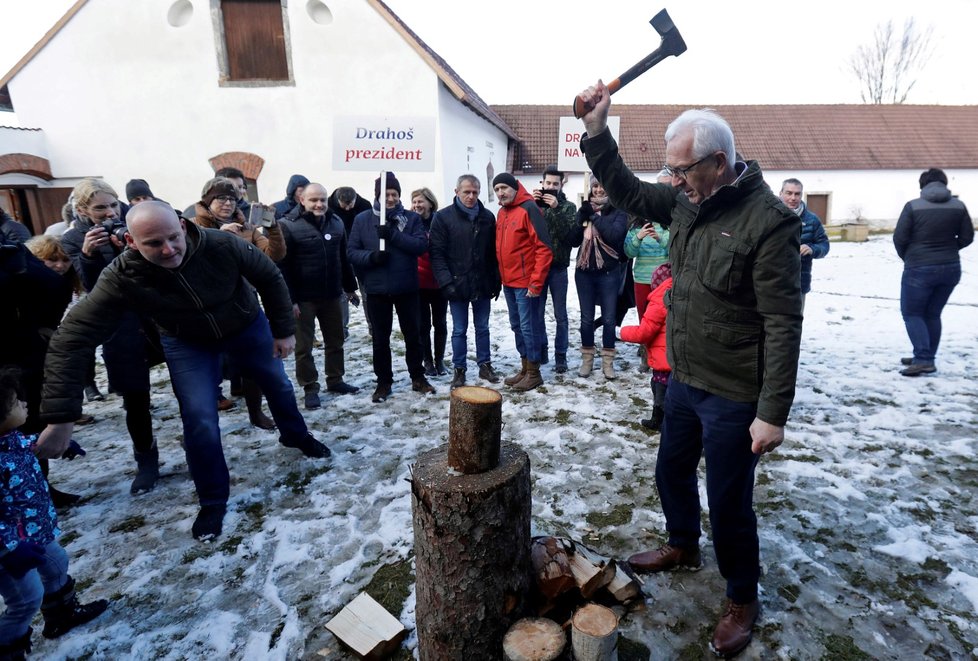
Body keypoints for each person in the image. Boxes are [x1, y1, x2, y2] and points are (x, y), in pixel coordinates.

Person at [577, 81, 803, 658]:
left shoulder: (768, 222)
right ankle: (682, 543)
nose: (673, 180)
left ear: (719, 163)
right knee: (671, 470)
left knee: (729, 501)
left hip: (733, 392)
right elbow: (626, 188)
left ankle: (741, 596)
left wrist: (771, 413)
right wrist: (599, 132)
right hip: (682, 376)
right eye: (671, 170)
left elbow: (782, 321)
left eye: (683, 170)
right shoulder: (683, 199)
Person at [37, 201, 331, 541]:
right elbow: (72, 336)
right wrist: (61, 416)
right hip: (186, 340)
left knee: (277, 385)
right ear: (132, 242)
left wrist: (282, 329)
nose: (168, 249)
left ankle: (296, 435)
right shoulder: (122, 274)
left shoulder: (221, 243)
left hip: (245, 324)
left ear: (181, 225)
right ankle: (212, 498)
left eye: (173, 237)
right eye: (153, 244)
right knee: (199, 416)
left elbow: (268, 275)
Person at [0, 368, 108, 658]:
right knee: (25, 600)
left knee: (57, 562)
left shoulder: (10, 439)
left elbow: (29, 446)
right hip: (10, 550)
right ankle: (7, 647)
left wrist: (58, 445)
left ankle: (62, 614)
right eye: (15, 402)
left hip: (34, 532)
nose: (24, 403)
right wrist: (9, 548)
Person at [61, 178, 159, 495]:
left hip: (158, 317)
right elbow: (91, 289)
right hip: (120, 326)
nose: (108, 213)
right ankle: (146, 459)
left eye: (113, 205)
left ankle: (200, 447)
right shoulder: (75, 238)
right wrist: (89, 255)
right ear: (82, 210)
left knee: (190, 388)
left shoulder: (133, 222)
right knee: (136, 399)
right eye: (100, 207)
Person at [191, 177, 286, 428]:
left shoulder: (247, 228)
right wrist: (215, 236)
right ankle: (207, 417)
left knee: (252, 362)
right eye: (221, 198)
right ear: (207, 201)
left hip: (244, 303)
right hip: (206, 307)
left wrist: (273, 227)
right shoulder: (192, 227)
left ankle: (255, 413)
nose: (227, 203)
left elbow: (273, 255)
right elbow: (187, 260)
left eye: (232, 198)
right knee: (209, 367)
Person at [347, 173, 435, 403]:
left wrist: (394, 235)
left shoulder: (410, 219)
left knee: (413, 335)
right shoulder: (363, 220)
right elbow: (352, 251)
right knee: (380, 338)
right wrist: (372, 257)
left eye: (394, 194)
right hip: (377, 289)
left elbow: (420, 245)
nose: (391, 198)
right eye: (386, 194)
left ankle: (418, 377)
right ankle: (383, 382)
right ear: (377, 195)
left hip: (406, 286)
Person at [279, 183, 360, 410]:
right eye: (314, 200)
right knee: (304, 347)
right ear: (302, 200)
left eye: (323, 199)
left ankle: (335, 380)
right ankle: (310, 387)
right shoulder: (287, 225)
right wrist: (291, 300)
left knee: (336, 340)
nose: (319, 204)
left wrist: (350, 287)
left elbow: (343, 258)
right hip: (303, 299)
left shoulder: (336, 222)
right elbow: (283, 267)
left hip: (332, 295)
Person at [893, 168, 973, 377]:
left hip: (919, 268)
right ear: (944, 183)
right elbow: (967, 237)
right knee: (932, 314)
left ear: (923, 185)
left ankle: (924, 359)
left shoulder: (912, 206)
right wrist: (950, 248)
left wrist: (909, 257)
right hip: (951, 268)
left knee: (912, 313)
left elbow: (900, 238)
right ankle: (925, 355)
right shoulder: (959, 206)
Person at [429, 175, 501, 390]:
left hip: (482, 283)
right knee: (459, 329)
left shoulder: (487, 217)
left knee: (483, 328)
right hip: (457, 283)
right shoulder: (442, 218)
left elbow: (492, 254)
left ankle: (485, 365)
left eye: (475, 192)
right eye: (466, 192)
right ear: (457, 191)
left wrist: (495, 280)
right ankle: (459, 369)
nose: (471, 196)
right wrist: (446, 283)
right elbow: (437, 253)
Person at [492, 173, 552, 392]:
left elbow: (544, 248)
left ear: (515, 187)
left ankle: (534, 373)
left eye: (504, 188)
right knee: (517, 325)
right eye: (497, 189)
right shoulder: (501, 212)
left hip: (526, 283)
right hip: (509, 282)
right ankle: (525, 368)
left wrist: (536, 283)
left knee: (529, 327)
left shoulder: (529, 209)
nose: (500, 192)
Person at [569, 176, 628, 380]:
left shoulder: (618, 211)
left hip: (609, 272)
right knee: (586, 319)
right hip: (584, 273)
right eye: (595, 185)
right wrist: (580, 220)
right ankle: (587, 360)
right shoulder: (585, 209)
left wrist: (594, 218)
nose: (598, 190)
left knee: (610, 319)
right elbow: (573, 240)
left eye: (603, 185)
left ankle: (608, 362)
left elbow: (614, 235)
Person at [531, 165, 578, 373]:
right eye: (548, 183)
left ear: (561, 185)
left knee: (561, 315)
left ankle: (561, 356)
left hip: (558, 267)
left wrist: (556, 208)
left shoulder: (568, 207)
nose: (551, 187)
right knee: (537, 313)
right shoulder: (533, 205)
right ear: (542, 183)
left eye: (555, 184)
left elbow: (568, 234)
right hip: (538, 268)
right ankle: (542, 351)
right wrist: (532, 205)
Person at [619, 263, 672, 430]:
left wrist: (621, 332)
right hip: (673, 357)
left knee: (660, 388)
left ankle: (660, 421)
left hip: (663, 359)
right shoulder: (677, 293)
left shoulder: (658, 301)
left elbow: (644, 332)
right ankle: (660, 419)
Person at [411, 187, 448, 377]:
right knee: (423, 325)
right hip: (418, 283)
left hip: (439, 281)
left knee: (440, 323)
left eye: (420, 201)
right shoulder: (409, 223)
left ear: (430, 203)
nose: (417, 205)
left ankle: (440, 359)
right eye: (414, 202)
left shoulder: (439, 221)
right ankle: (427, 361)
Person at [328, 186, 374, 338]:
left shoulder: (365, 206)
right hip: (338, 253)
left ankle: (372, 326)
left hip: (360, 253)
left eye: (350, 204)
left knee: (367, 292)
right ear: (337, 200)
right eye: (344, 205)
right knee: (341, 294)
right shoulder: (328, 206)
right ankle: (341, 329)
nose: (347, 208)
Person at [779, 178, 830, 308]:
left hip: (799, 284)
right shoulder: (769, 215)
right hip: (770, 282)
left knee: (794, 324)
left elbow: (824, 245)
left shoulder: (812, 220)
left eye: (797, 194)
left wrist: (812, 249)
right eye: (789, 193)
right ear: (781, 193)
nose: (793, 197)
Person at [183, 167, 250, 219]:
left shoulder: (249, 211)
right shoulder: (193, 212)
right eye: (232, 187)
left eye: (241, 187)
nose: (239, 191)